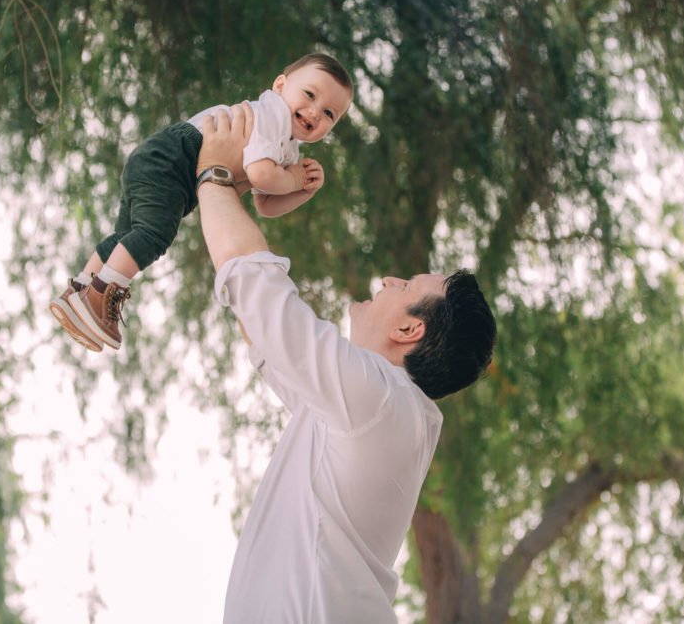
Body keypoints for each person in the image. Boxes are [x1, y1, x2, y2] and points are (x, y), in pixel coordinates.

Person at [194, 103, 497, 623]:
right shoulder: (373, 409)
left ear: (410, 330)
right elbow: (263, 328)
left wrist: (213, 175)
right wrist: (234, 192)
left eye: (406, 285)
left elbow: (261, 294)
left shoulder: (381, 399)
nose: (389, 280)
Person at [49, 53, 355, 352]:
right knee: (154, 235)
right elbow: (261, 175)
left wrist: (302, 191)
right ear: (280, 86)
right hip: (176, 158)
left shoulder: (287, 149)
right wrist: (295, 180)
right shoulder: (273, 113)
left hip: (161, 161)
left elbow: (265, 204)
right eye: (310, 94)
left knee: (127, 237)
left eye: (330, 113)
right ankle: (99, 295)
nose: (315, 111)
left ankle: (79, 290)